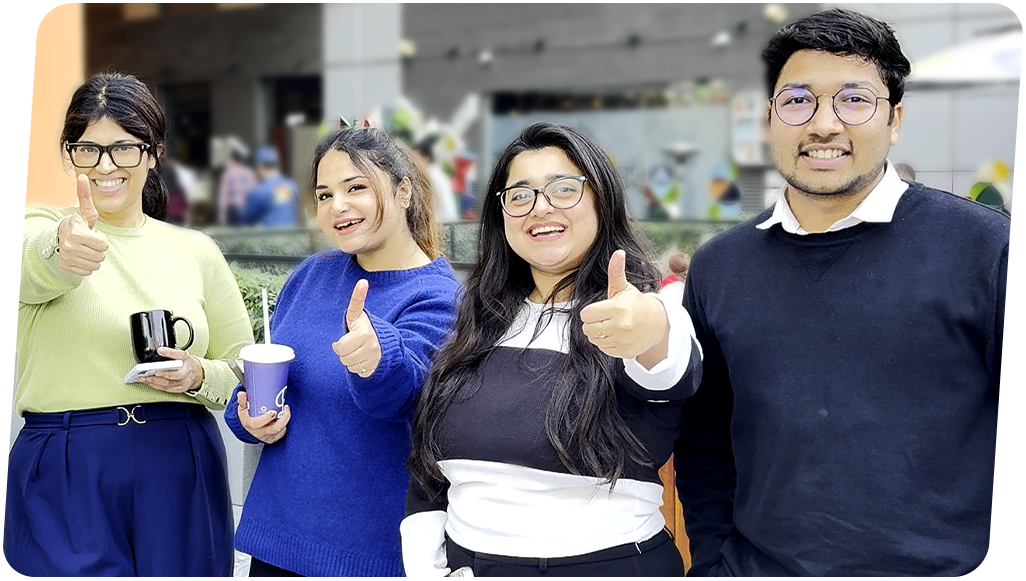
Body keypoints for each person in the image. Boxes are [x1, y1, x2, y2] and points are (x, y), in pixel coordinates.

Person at [675, 8, 1022, 576]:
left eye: (854, 100)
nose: (824, 124)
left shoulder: (989, 250)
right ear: (769, 118)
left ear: (894, 120)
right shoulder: (720, 266)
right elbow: (705, 442)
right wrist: (715, 565)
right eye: (798, 100)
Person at [403, 122, 703, 577]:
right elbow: (429, 476)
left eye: (564, 189)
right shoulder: (475, 321)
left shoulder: (644, 308)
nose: (540, 207)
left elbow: (667, 363)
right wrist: (427, 569)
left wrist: (649, 327)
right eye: (520, 195)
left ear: (602, 199)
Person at [3, 72, 254, 576]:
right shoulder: (33, 226)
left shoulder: (195, 250)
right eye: (88, 150)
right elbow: (31, 264)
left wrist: (198, 374)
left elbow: (246, 368)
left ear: (153, 153)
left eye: (124, 148)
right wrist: (63, 250)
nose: (105, 165)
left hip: (181, 459)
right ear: (70, 155)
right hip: (66, 463)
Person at [222, 126, 461, 577]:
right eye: (325, 194)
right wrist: (248, 417)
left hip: (365, 555)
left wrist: (378, 355)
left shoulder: (440, 297)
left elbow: (405, 398)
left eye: (356, 188)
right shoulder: (312, 275)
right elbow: (273, 380)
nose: (338, 206)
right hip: (276, 540)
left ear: (404, 191)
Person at [240, 145, 300, 227]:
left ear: (259, 167)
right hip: (291, 232)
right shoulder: (291, 186)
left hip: (269, 234)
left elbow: (247, 219)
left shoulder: (258, 191)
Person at [412, 135, 460, 223]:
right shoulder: (429, 175)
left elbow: (447, 211)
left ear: (425, 158)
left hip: (443, 224)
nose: (412, 162)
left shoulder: (435, 177)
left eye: (415, 158)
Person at [218, 137, 258, 226]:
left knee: (234, 233)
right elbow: (255, 191)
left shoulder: (228, 173)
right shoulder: (250, 172)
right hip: (248, 208)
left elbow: (223, 196)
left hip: (234, 210)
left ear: (232, 160)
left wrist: (222, 216)